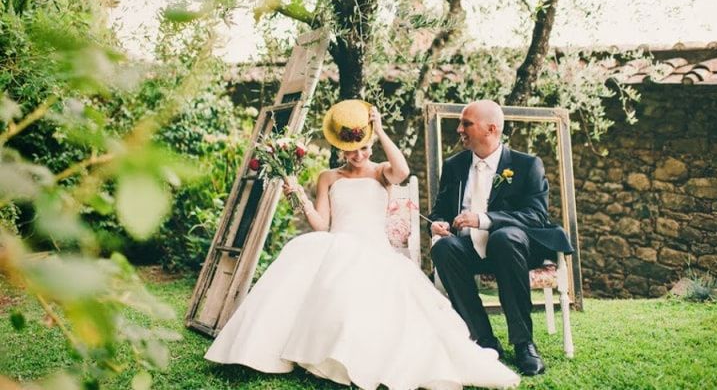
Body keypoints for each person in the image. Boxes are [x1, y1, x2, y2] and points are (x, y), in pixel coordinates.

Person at [205, 99, 520, 390]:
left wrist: (379, 130)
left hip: (374, 249)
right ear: (341, 149)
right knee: (301, 254)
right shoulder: (328, 177)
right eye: (351, 151)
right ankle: (289, 348)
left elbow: (403, 171)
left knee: (361, 277)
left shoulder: (381, 172)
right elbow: (321, 224)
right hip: (338, 241)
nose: (359, 156)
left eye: (365, 148)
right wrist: (299, 195)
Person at [429, 100, 574, 377]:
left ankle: (523, 344)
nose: (459, 129)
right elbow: (440, 210)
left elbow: (535, 216)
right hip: (468, 249)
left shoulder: (527, 165)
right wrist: (437, 224)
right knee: (444, 248)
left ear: (491, 129)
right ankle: (483, 338)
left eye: (467, 123)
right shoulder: (455, 165)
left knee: (504, 238)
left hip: (512, 250)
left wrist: (484, 220)